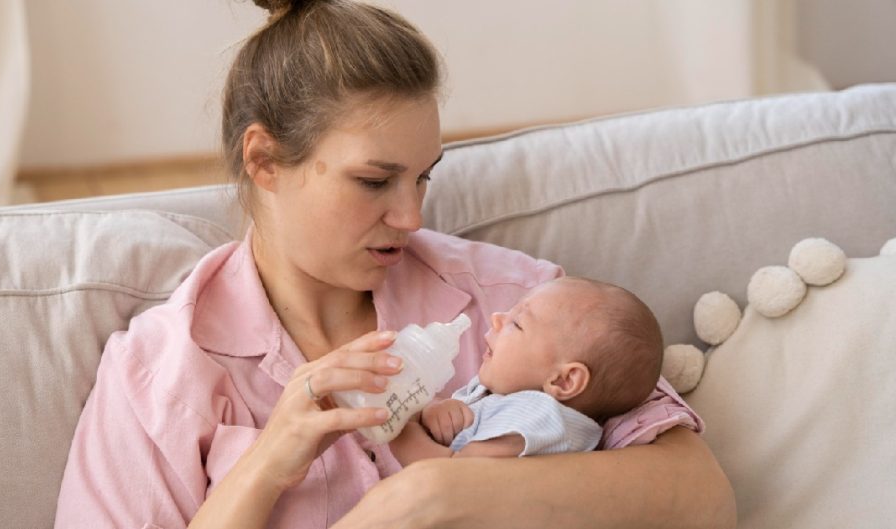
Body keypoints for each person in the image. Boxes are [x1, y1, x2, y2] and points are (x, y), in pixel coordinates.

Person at [54, 1, 736, 528]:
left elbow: (700, 494)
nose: (411, 217)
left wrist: (439, 491)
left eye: (423, 178)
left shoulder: (514, 303)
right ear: (264, 160)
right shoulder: (160, 374)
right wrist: (265, 464)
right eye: (375, 182)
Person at [389, 277, 663, 464]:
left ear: (565, 380)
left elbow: (455, 478)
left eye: (517, 323)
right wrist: (435, 412)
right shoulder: (504, 393)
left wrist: (402, 431)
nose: (497, 318)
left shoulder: (543, 421)